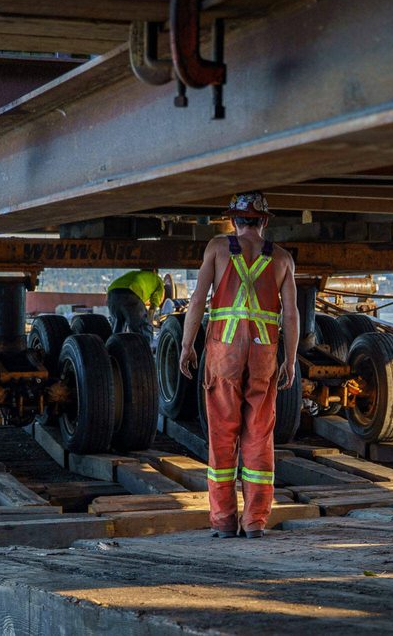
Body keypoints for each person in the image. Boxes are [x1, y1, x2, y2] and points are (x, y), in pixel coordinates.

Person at [179, 191, 299, 538]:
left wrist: (188, 345)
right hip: (264, 353)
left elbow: (199, 299)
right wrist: (290, 360)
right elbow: (290, 314)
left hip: (224, 352)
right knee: (259, 434)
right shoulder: (282, 259)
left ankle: (223, 521)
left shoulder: (217, 249)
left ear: (234, 220)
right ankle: (255, 521)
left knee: (222, 433)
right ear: (263, 221)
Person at [106, 269, 165, 343]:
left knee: (118, 327)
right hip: (130, 294)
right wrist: (149, 321)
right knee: (142, 329)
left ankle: (113, 350)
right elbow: (153, 306)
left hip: (112, 294)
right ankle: (144, 351)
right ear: (154, 271)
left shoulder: (134, 273)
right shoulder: (157, 280)